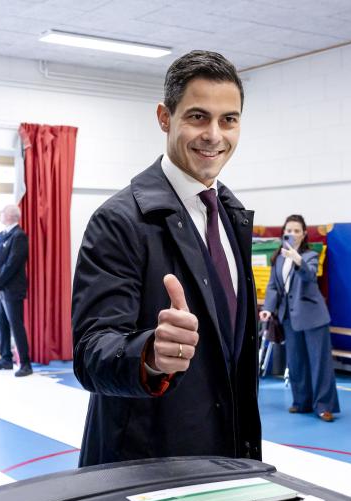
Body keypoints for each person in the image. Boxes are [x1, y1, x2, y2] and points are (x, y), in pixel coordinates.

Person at [72, 50, 262, 466]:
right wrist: (149, 354)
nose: (214, 135)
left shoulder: (231, 215)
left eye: (228, 119)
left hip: (227, 456)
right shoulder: (119, 221)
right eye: (197, 116)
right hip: (147, 466)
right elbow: (90, 354)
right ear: (164, 118)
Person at [260, 214, 339, 422]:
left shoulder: (310, 256)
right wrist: (268, 308)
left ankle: (323, 406)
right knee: (296, 362)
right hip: (289, 317)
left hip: (313, 317)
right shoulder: (277, 259)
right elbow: (273, 286)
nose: (292, 234)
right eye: (289, 230)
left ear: (304, 235)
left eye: (297, 230)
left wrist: (298, 260)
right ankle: (301, 402)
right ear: (283, 232)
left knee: (319, 363)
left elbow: (310, 275)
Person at [0, 204, 32, 377]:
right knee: (1, 324)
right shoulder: (1, 235)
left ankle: (26, 364)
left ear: (11, 216)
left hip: (11, 290)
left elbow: (13, 263)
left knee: (16, 326)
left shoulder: (19, 236)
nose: (0, 215)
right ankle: (5, 358)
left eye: (2, 212)